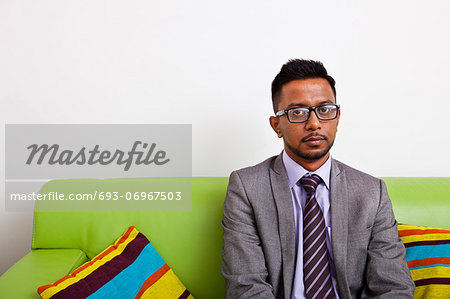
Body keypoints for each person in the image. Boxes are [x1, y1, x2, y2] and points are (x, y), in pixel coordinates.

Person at [221, 59, 415, 299]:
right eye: (298, 112)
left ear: (337, 117)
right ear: (276, 125)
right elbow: (246, 287)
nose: (314, 124)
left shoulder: (371, 192)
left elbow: (392, 287)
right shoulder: (247, 188)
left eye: (324, 110)